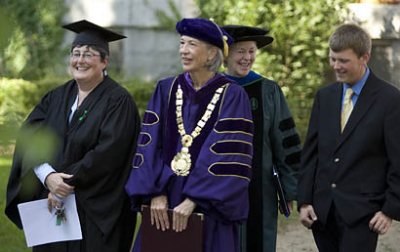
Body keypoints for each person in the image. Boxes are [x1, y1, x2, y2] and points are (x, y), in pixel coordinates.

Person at [5, 19, 140, 252]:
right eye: (75, 53)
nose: (79, 60)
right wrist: (48, 176)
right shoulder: (56, 97)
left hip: (94, 211)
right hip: (53, 206)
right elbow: (31, 137)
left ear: (104, 61)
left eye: (88, 54)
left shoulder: (119, 102)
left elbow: (109, 154)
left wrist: (64, 183)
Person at [125, 18, 254, 252]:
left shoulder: (233, 95)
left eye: (192, 45)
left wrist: (195, 199)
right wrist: (155, 193)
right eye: (182, 43)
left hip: (209, 205)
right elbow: (149, 145)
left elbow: (230, 155)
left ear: (211, 53)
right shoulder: (166, 89)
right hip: (163, 201)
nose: (183, 50)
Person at [298, 23, 400, 251]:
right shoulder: (324, 97)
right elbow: (311, 154)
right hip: (322, 214)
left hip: (363, 214)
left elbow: (398, 160)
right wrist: (304, 201)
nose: (336, 66)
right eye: (333, 59)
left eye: (343, 61)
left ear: (365, 57)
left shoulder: (390, 100)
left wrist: (390, 209)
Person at [222, 25, 302, 252]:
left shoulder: (267, 90)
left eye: (252, 51)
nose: (247, 58)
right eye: (241, 51)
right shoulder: (212, 89)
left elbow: (285, 142)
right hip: (218, 188)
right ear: (226, 54)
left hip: (261, 187)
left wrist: (287, 188)